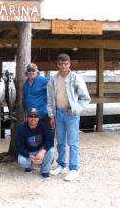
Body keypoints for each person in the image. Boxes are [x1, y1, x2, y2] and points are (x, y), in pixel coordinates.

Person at [47, 53, 90, 181]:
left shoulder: (76, 78)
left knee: (72, 143)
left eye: (66, 64)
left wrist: (75, 109)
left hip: (71, 115)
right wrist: (51, 115)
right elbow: (49, 99)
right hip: (58, 113)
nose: (63, 66)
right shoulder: (53, 79)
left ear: (69, 64)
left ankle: (74, 169)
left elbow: (85, 98)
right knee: (60, 142)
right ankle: (61, 165)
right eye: (61, 64)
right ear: (57, 65)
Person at [16, 107, 55, 179]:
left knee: (51, 150)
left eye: (35, 116)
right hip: (29, 151)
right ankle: (29, 167)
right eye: (31, 116)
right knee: (21, 160)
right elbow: (19, 145)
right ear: (28, 118)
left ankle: (45, 170)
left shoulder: (44, 126)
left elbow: (50, 140)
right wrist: (28, 155)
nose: (33, 118)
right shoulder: (22, 128)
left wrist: (43, 151)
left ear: (38, 118)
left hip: (40, 150)